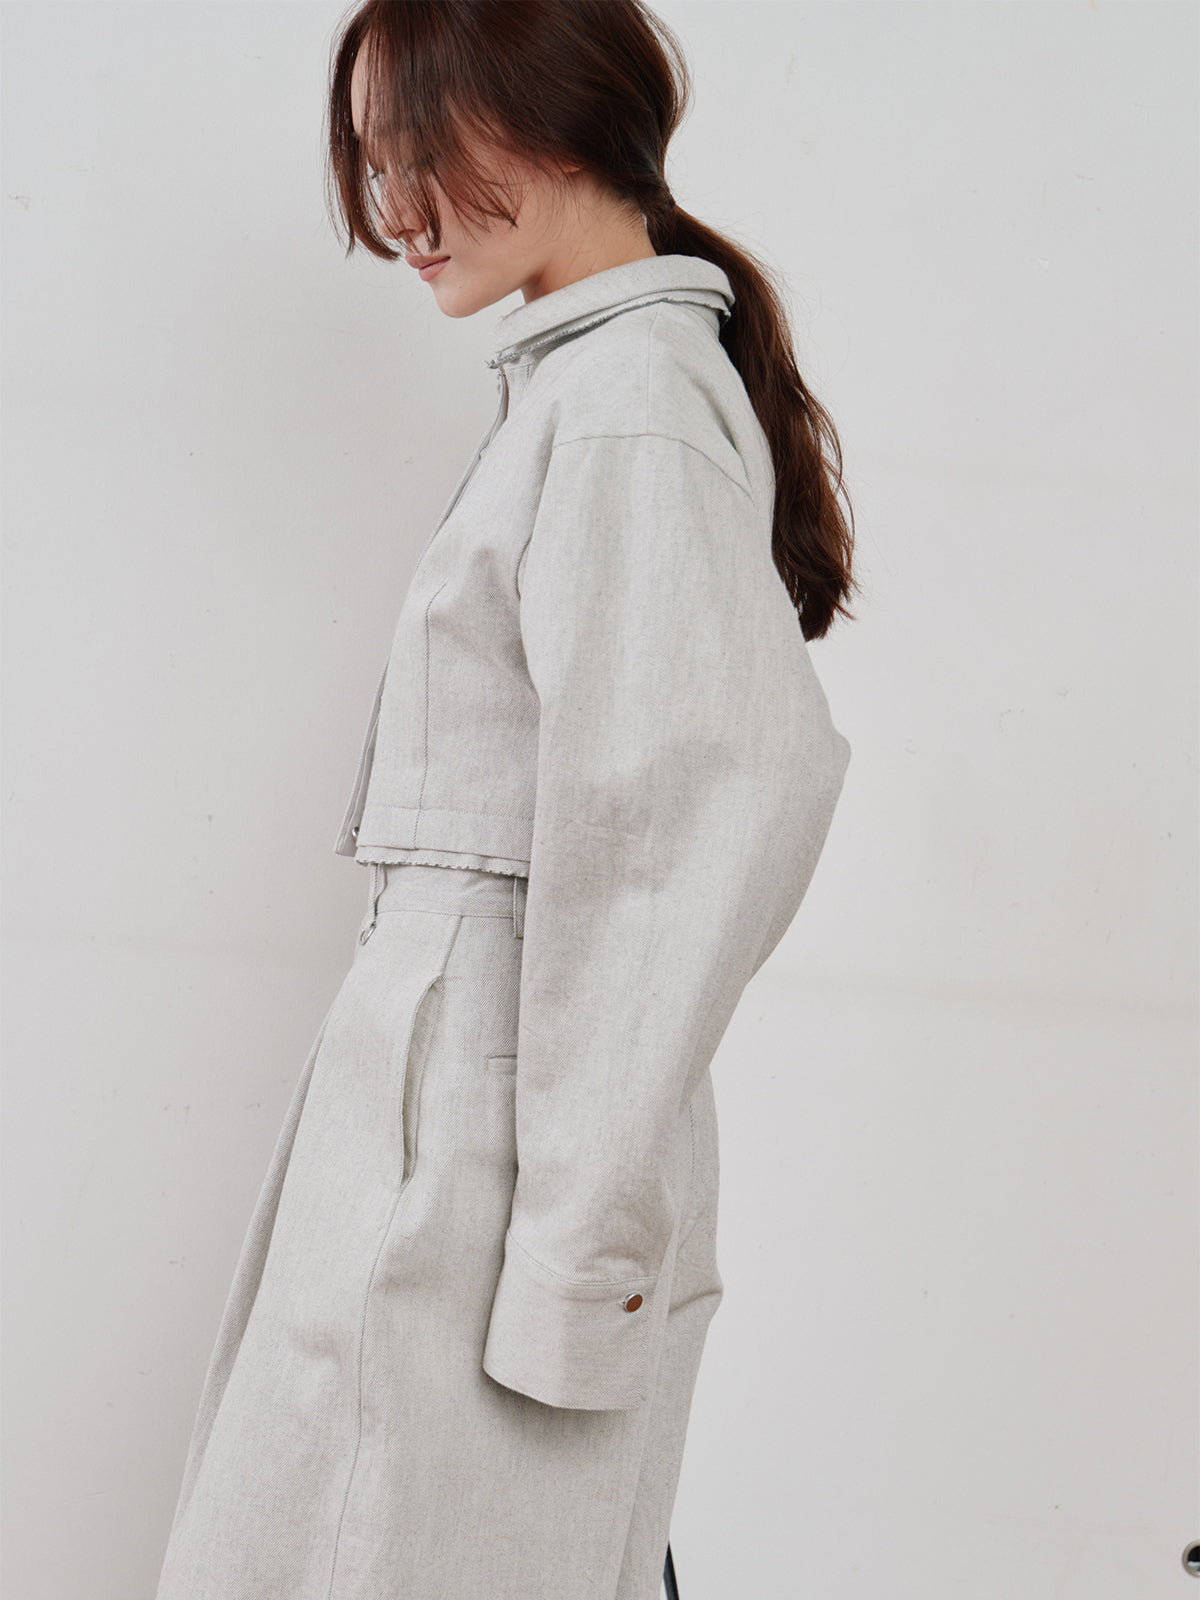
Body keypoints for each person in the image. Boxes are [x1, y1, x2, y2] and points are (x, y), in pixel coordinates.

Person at [153, 3, 856, 1597]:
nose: (394, 211)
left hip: (488, 1139)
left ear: (555, 117)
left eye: (420, 152)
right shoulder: (586, 390)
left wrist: (579, 1270)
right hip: (449, 1110)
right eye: (371, 164)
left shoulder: (626, 409)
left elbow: (694, 828)